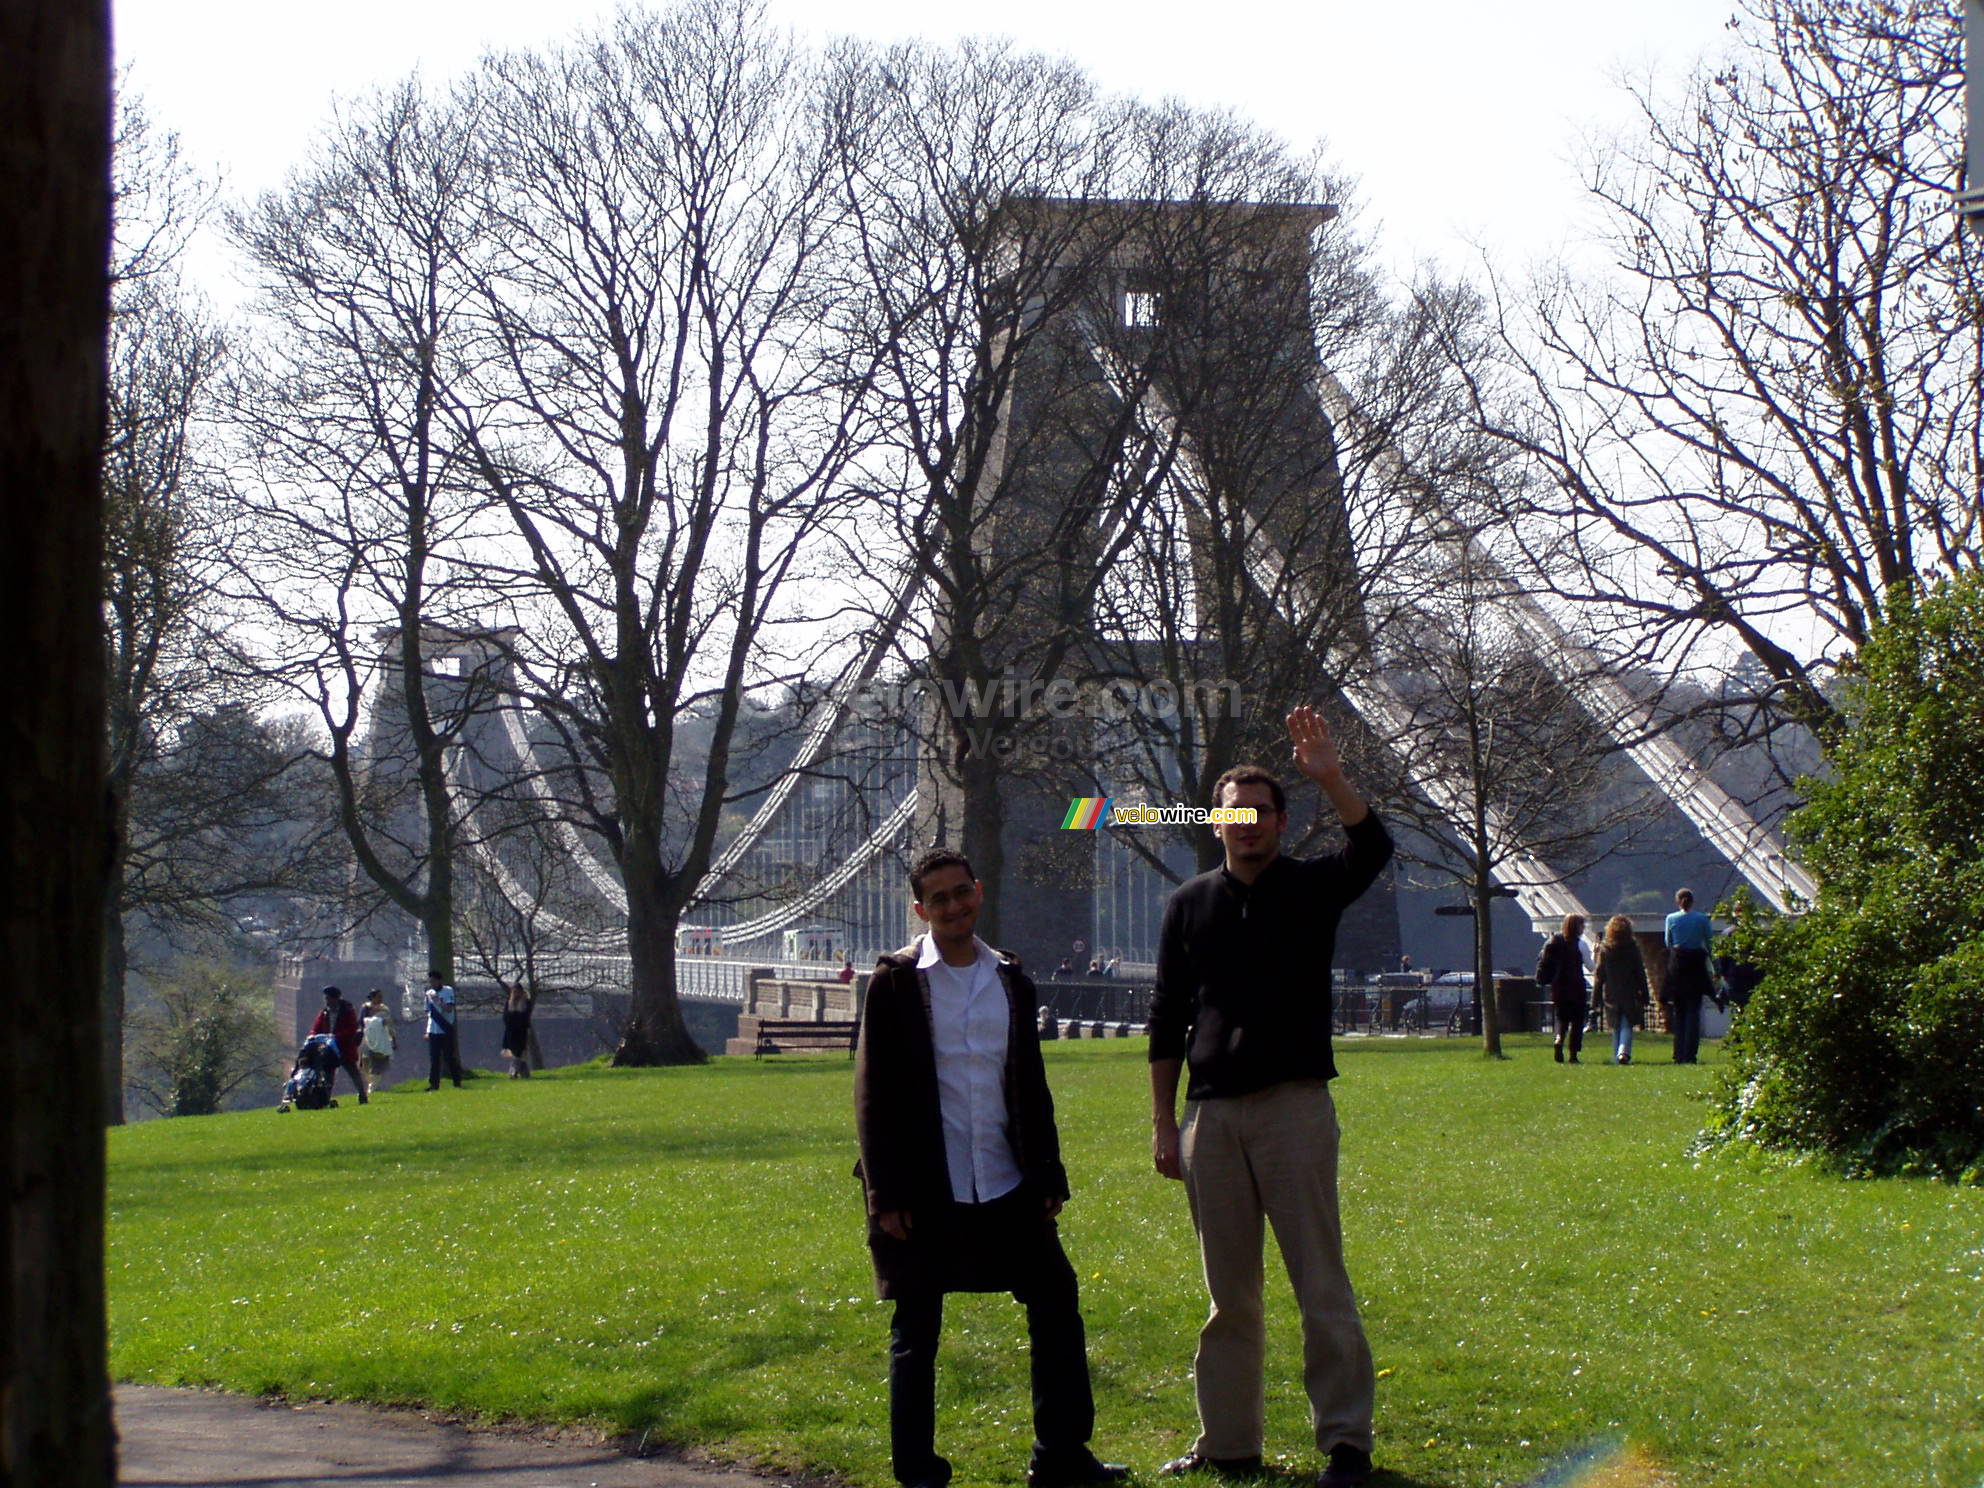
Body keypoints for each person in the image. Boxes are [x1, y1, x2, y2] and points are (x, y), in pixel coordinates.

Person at [1148, 705, 1394, 1488]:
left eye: (1259, 813)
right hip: (1211, 1115)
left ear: (1282, 822)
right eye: (1232, 813)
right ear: (1216, 821)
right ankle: (1228, 1444)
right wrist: (1164, 1124)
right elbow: (1165, 1019)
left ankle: (1346, 1443)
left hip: (1294, 1106)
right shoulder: (1187, 904)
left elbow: (1374, 846)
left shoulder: (1315, 888)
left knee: (1320, 1280)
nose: (1245, 824)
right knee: (1229, 1296)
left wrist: (1332, 775)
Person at [855, 847, 1126, 1488]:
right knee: (916, 1329)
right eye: (939, 899)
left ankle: (1062, 1456)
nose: (954, 906)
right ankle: (917, 1471)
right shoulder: (895, 983)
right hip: (927, 1186)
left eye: (962, 892)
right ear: (921, 910)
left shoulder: (1011, 980)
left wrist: (1049, 1175)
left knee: (1057, 1300)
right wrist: (884, 1194)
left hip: (1006, 1180)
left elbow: (1031, 1084)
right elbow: (873, 1095)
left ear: (979, 892)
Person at [1663, 889, 1716, 1064]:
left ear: (1678, 901)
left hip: (1678, 967)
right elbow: (1709, 943)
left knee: (1679, 1013)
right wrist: (1716, 969)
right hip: (1696, 968)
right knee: (1694, 1012)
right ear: (1692, 901)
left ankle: (1678, 1052)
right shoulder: (1702, 919)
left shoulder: (1671, 919)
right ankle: (1690, 1053)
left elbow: (1668, 943)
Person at [1592, 915, 1649, 1065]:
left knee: (1615, 1025)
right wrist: (1645, 993)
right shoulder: (1632, 948)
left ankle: (1617, 1055)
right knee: (1627, 1023)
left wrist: (1595, 999)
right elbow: (1640, 972)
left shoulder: (1605, 950)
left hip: (1611, 992)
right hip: (1629, 992)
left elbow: (1599, 975)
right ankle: (1623, 1052)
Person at [1537, 915, 1590, 1064]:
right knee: (1577, 1021)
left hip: (1558, 987)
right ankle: (1573, 1055)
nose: (1583, 929)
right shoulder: (1580, 945)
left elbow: (1543, 961)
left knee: (1561, 1018)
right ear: (1577, 927)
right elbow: (1590, 966)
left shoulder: (1554, 942)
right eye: (1582, 926)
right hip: (1577, 987)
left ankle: (1559, 1039)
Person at [308, 985, 368, 1104]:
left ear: (335, 999)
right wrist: (312, 1035)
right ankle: (326, 1098)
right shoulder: (324, 1013)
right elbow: (316, 1027)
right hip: (329, 1049)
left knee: (353, 1072)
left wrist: (337, 1036)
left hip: (345, 1048)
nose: (326, 1001)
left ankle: (362, 1095)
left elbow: (352, 1029)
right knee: (329, 1074)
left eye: (328, 998)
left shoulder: (347, 1011)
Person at [424, 970, 463, 1090]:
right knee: (434, 1059)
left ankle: (457, 1081)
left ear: (439, 980)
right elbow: (428, 1012)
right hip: (433, 1030)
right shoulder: (428, 993)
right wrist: (427, 1030)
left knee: (449, 1057)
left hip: (445, 1029)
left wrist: (438, 1001)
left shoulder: (448, 991)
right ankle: (434, 1084)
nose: (432, 984)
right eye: (430, 981)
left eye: (434, 981)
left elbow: (449, 1009)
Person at [359, 989, 398, 1090]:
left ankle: (374, 1086)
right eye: (378, 996)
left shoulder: (384, 1010)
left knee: (378, 1063)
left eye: (381, 996)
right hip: (367, 1039)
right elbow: (362, 1023)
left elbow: (390, 1025)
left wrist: (393, 1039)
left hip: (381, 1040)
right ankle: (371, 1084)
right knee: (366, 1062)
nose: (380, 998)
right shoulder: (366, 1008)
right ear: (372, 997)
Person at [500, 980, 535, 1078]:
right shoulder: (509, 1003)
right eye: (514, 992)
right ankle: (525, 1074)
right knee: (517, 1054)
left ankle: (513, 1072)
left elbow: (525, 1018)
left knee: (519, 1053)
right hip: (510, 1033)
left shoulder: (526, 1003)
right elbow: (506, 1018)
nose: (516, 994)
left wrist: (514, 1017)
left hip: (522, 1033)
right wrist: (515, 1017)